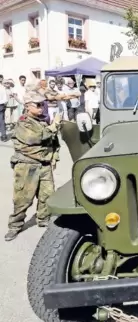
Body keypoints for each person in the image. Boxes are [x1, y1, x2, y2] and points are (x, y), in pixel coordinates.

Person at [5, 91, 62, 241]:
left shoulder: (42, 122)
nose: (42, 108)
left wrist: (54, 157)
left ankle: (43, 218)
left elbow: (53, 142)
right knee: (23, 198)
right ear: (28, 106)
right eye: (38, 105)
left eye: (42, 104)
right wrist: (53, 127)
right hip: (27, 166)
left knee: (47, 195)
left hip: (44, 164)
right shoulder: (24, 122)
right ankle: (15, 225)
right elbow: (34, 138)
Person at [0, 77, 8, 141]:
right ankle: (3, 136)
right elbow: (5, 99)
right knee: (2, 120)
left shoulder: (2, 87)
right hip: (1, 105)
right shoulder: (3, 88)